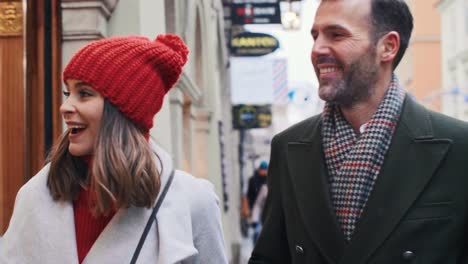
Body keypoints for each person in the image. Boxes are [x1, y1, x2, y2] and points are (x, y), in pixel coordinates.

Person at [249, 0, 468, 263]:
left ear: (388, 47)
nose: (317, 49)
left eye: (336, 35)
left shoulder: (458, 147)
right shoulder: (288, 146)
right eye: (315, 35)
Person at [0, 34, 228, 263]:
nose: (65, 107)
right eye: (68, 93)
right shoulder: (36, 195)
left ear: (122, 111)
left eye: (85, 94)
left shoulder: (193, 201)